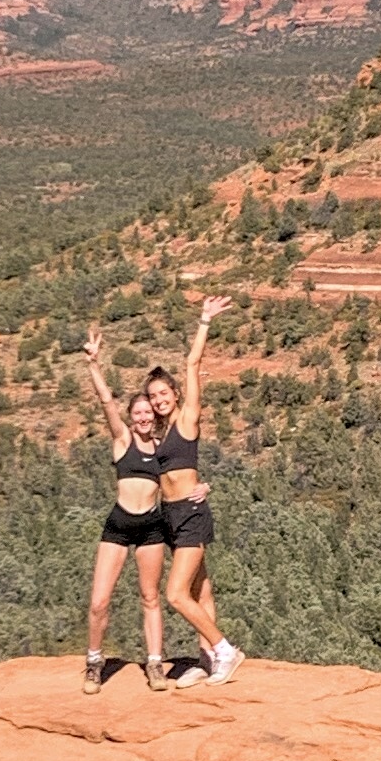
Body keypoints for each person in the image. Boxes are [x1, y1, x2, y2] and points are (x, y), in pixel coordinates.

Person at [144, 293, 244, 687]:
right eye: (153, 397)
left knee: (175, 594)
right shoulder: (159, 432)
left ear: (175, 393)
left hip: (190, 514)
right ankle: (206, 661)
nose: (159, 399)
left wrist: (204, 320)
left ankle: (225, 651)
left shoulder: (187, 419)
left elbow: (192, 363)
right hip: (171, 515)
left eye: (163, 393)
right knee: (202, 589)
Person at [76, 328, 173, 691]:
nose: (144, 417)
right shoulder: (122, 440)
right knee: (99, 601)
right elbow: (105, 403)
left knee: (150, 597)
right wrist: (94, 364)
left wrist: (202, 487)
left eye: (148, 411)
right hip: (118, 525)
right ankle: (93, 662)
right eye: (138, 412)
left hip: (151, 526)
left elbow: (182, 477)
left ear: (155, 415)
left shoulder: (164, 447)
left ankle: (155, 664)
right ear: (132, 416)